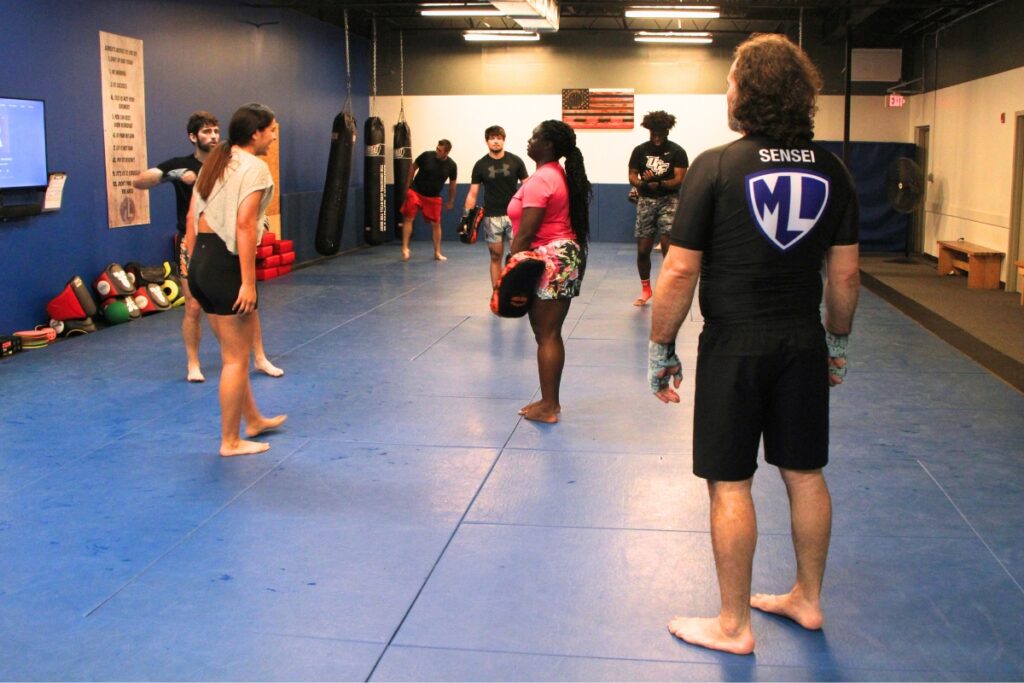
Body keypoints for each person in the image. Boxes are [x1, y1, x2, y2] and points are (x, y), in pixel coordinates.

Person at [648, 34, 860, 655]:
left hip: (735, 345)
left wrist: (662, 348)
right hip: (801, 340)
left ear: (745, 91)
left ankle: (734, 626)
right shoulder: (834, 169)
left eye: (732, 79)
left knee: (730, 484)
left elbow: (681, 272)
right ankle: (808, 599)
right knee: (805, 472)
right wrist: (837, 343)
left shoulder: (716, 165)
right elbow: (844, 276)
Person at [134, 112, 283, 382]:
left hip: (224, 245)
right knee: (194, 306)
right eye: (206, 132)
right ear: (193, 137)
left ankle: (259, 358)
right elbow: (141, 181)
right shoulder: (183, 164)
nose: (213, 136)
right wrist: (174, 175)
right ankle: (194, 363)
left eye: (215, 130)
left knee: (249, 303)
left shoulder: (228, 160)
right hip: (194, 243)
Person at [185, 103, 287, 457]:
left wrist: (190, 263)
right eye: (271, 130)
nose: (274, 137)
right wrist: (248, 282)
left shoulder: (216, 161)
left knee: (236, 353)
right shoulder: (254, 168)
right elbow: (244, 225)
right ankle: (229, 441)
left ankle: (253, 420)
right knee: (235, 359)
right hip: (225, 265)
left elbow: (191, 215)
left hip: (202, 260)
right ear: (256, 132)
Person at [508, 120, 591, 424]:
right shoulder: (552, 174)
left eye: (535, 137)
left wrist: (510, 269)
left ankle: (549, 406)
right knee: (546, 333)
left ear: (549, 146)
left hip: (551, 258)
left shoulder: (543, 178)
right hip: (557, 257)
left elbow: (526, 233)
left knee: (547, 334)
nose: (529, 141)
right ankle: (549, 402)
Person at [628, 110, 688, 306]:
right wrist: (642, 185)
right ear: (649, 131)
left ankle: (668, 288)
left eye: (660, 132)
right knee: (643, 250)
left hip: (669, 201)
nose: (657, 136)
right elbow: (632, 176)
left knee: (667, 248)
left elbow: (679, 179)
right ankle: (646, 289)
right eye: (653, 132)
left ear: (667, 131)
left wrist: (660, 184)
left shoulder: (677, 151)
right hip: (646, 201)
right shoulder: (640, 150)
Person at [463, 125, 528, 287]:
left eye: (499, 138)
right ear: (487, 141)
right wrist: (466, 217)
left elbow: (528, 187)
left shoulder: (516, 161)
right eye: (492, 138)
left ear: (503, 140)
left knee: (517, 255)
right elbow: (472, 193)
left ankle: (516, 291)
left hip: (514, 215)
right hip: (492, 216)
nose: (496, 141)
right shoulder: (480, 165)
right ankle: (497, 294)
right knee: (495, 256)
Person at [400, 139, 457, 261]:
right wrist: (407, 187)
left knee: (436, 224)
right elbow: (412, 168)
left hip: (433, 197)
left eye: (440, 150)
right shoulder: (426, 156)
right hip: (415, 192)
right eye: (437, 148)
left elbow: (452, 185)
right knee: (409, 218)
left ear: (446, 152)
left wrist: (451, 201)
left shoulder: (451, 165)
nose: (437, 151)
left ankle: (437, 252)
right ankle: (405, 248)